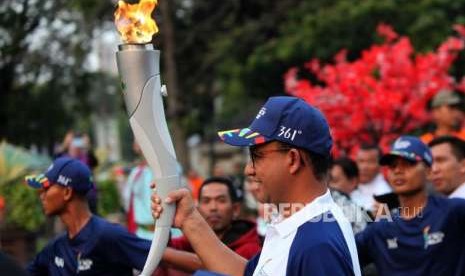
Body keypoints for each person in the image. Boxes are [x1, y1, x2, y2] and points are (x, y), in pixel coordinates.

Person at [152, 96, 361, 276]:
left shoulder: (316, 246)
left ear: (293, 160)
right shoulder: (299, 224)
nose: (248, 170)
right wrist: (189, 219)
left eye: (257, 156)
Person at [356, 135, 465, 275]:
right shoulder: (379, 230)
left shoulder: (454, 211)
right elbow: (338, 258)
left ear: (428, 171)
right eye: (392, 166)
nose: (398, 171)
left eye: (408, 163)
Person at [25, 157, 150, 275]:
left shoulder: (107, 235)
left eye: (46, 188)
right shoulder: (55, 249)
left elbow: (165, 257)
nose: (41, 195)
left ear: (67, 192)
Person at [160, 177, 261, 274]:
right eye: (206, 201)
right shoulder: (192, 239)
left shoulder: (251, 248)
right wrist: (165, 217)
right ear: (197, 209)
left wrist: (165, 254)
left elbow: (218, 267)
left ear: (235, 209)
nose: (213, 207)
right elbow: (170, 246)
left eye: (221, 200)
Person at [123, 141, 155, 240]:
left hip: (170, 234)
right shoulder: (135, 173)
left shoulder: (170, 169)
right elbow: (127, 205)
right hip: (142, 234)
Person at [329, 158, 370, 234]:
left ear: (352, 182)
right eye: (328, 181)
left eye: (335, 181)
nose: (330, 186)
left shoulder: (368, 205)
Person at [352, 144, 391, 212]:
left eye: (370, 162)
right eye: (361, 161)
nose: (364, 167)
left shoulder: (384, 194)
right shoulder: (347, 184)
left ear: (380, 165)